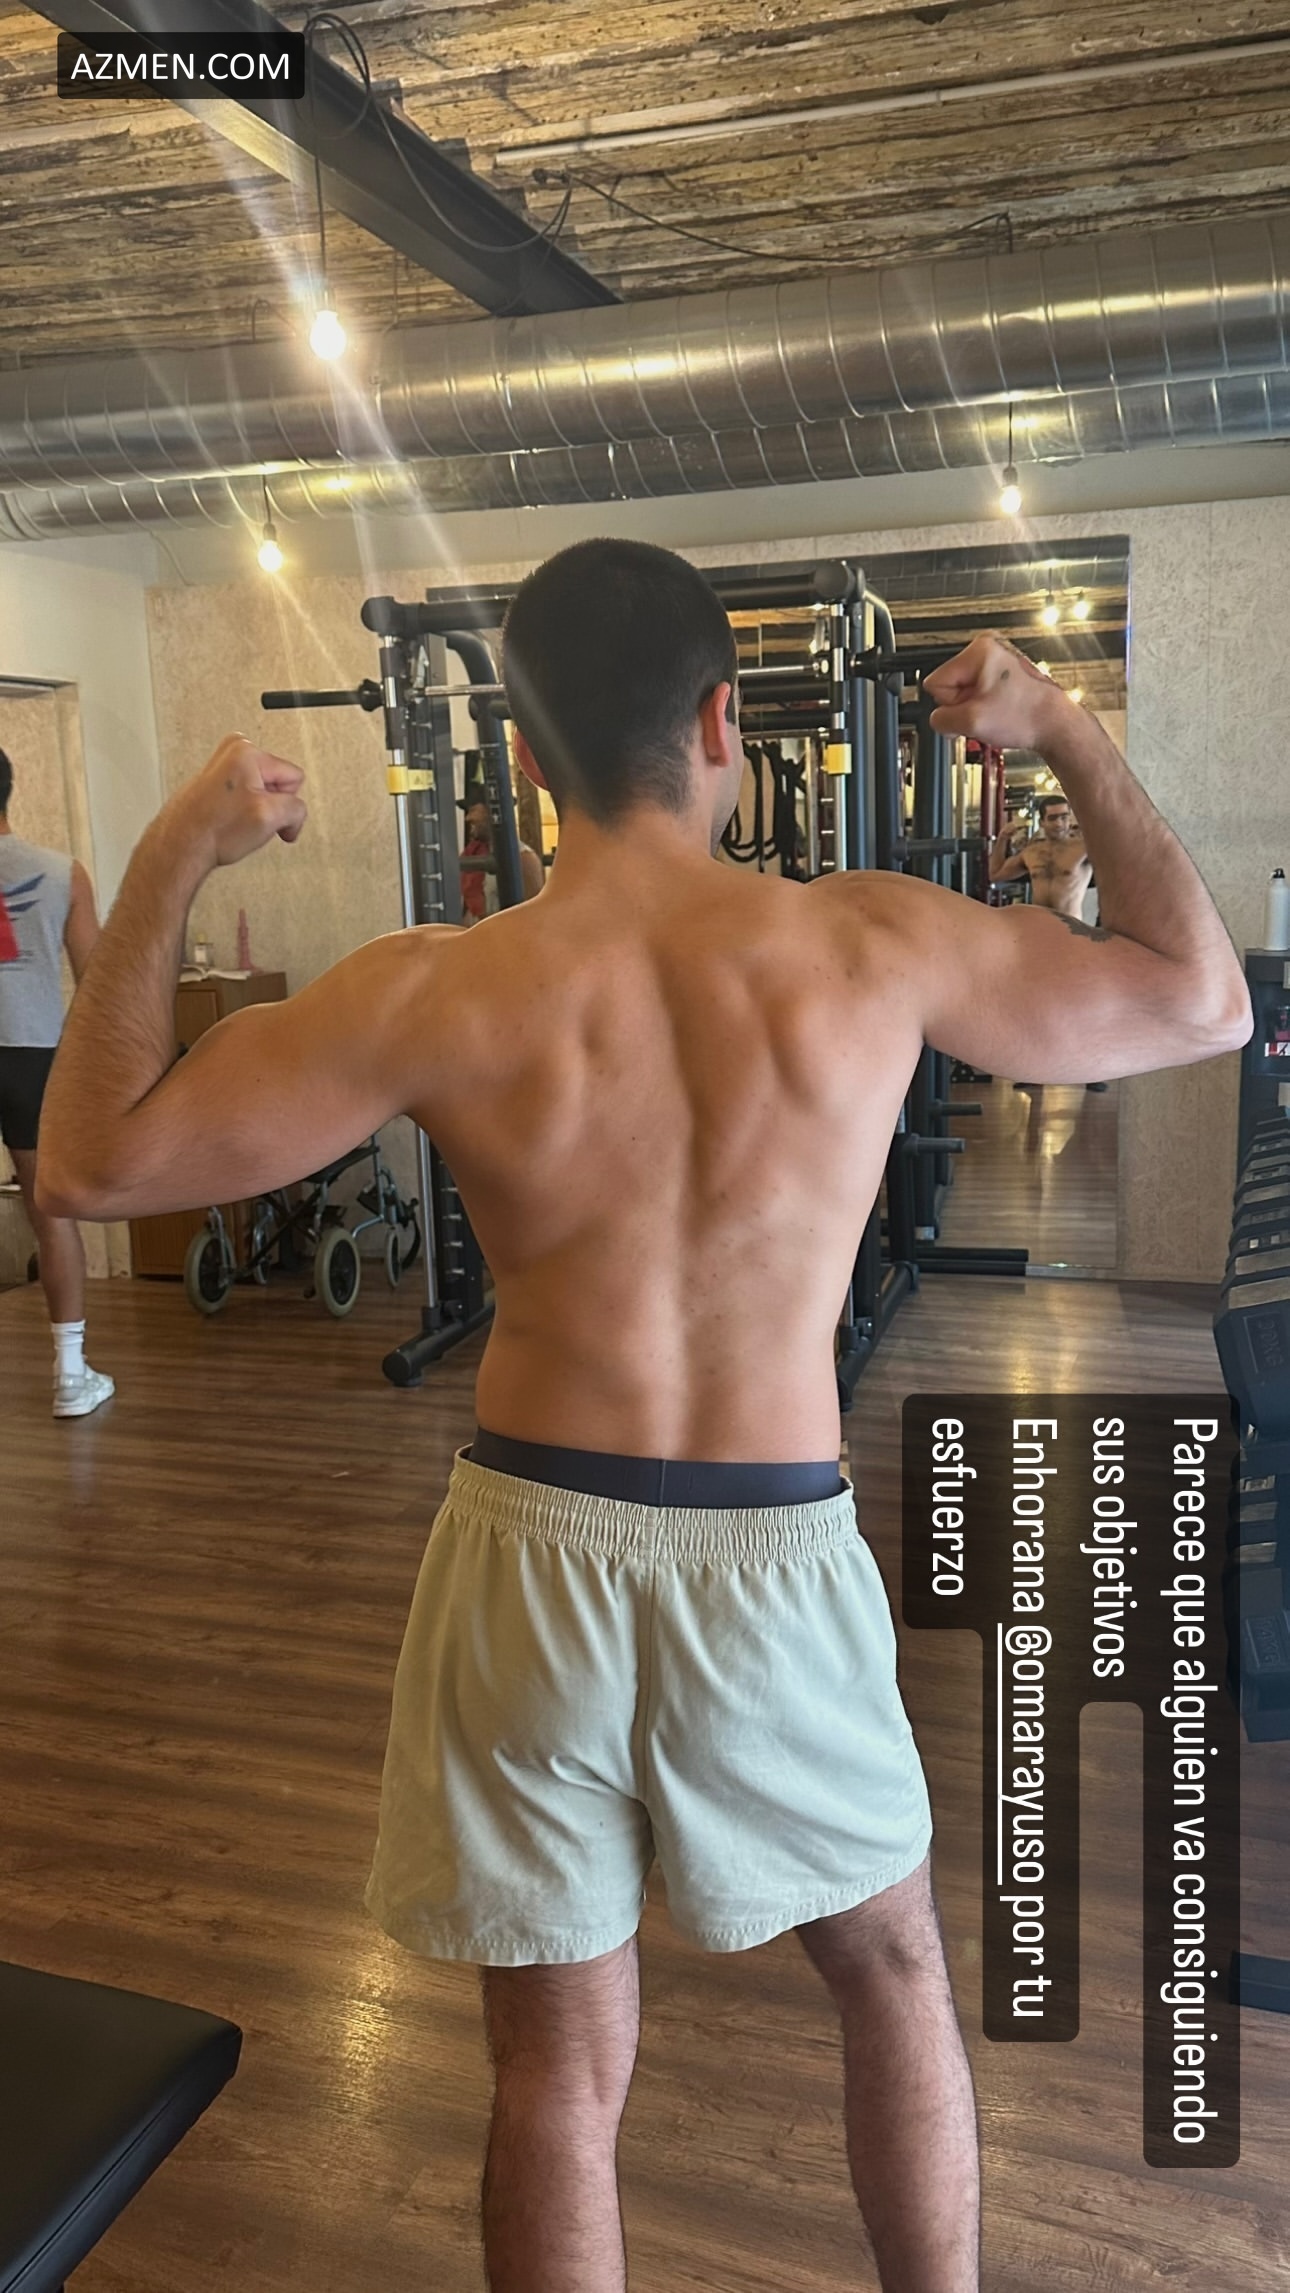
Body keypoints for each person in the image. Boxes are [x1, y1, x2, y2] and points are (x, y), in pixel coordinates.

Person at [37, 540, 1250, 2293]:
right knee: (890, 1974)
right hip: (773, 1550)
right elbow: (1203, 996)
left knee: (556, 2070)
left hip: (528, 1551)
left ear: (527, 760)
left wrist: (169, 851)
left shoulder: (434, 985)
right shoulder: (867, 939)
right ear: (720, 723)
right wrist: (1061, 729)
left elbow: (86, 1163)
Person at [0, 747, 113, 1417]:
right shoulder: (60, 871)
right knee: (51, 1216)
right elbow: (97, 980)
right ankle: (70, 1376)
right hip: (32, 1055)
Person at [989, 791, 1110, 1089]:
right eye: (1053, 818)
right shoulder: (1032, 852)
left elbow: (1119, 866)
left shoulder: (1084, 848)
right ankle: (1034, 1073)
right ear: (1042, 821)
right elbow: (996, 874)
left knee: (1084, 1005)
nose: (1060, 823)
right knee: (1035, 1004)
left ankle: (1093, 1074)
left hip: (1074, 935)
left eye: (1064, 816)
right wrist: (1002, 840)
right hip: (1039, 935)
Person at [459, 789, 545, 920]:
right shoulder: (478, 854)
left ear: (490, 813)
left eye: (473, 810)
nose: (468, 818)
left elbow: (532, 915)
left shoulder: (524, 859)